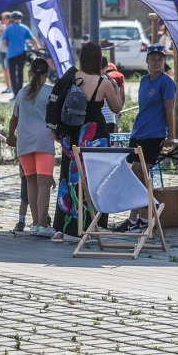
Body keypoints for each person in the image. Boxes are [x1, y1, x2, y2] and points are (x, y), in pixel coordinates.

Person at [51, 41, 123, 242]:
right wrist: (116, 89)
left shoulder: (73, 77)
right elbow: (116, 108)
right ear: (99, 59)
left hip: (72, 133)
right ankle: (93, 225)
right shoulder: (104, 82)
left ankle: (63, 228)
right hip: (95, 135)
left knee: (68, 178)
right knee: (97, 180)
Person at [115, 44, 176, 233]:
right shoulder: (143, 80)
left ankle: (147, 210)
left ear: (164, 61)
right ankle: (137, 220)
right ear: (147, 61)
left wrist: (171, 136)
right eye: (153, 59)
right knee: (138, 177)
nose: (156, 62)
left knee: (137, 174)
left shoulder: (167, 82)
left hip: (154, 135)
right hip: (138, 133)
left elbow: (169, 109)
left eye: (160, 59)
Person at [7, 58, 56, 237]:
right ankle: (43, 224)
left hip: (24, 143)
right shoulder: (51, 93)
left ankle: (35, 224)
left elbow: (14, 117)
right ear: (46, 74)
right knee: (44, 185)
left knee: (31, 184)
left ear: (29, 73)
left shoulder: (21, 93)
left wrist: (10, 135)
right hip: (44, 142)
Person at [0, 11, 38, 96]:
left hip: (11, 54)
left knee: (12, 74)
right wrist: (37, 47)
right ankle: (20, 93)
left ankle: (15, 94)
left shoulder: (8, 29)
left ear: (12, 19)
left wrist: (10, 47)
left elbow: (4, 42)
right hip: (22, 54)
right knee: (20, 73)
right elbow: (33, 39)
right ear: (20, 19)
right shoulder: (24, 28)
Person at [100, 57, 125, 135]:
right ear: (106, 67)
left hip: (98, 119)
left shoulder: (93, 81)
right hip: (110, 119)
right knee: (109, 143)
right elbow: (120, 101)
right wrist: (116, 87)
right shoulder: (112, 81)